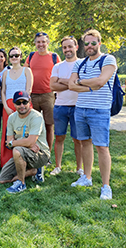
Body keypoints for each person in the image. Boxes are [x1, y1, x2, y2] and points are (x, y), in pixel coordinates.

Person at [68, 29, 117, 200]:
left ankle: (106, 186)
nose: (89, 46)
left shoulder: (108, 59)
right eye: (87, 43)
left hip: (100, 109)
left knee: (102, 147)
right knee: (84, 144)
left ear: (99, 43)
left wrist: (81, 82)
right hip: (80, 109)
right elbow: (70, 85)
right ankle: (87, 178)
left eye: (93, 43)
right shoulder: (80, 63)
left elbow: (101, 81)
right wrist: (90, 87)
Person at [0, 91, 50, 194]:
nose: (22, 105)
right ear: (14, 104)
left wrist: (15, 143)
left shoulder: (36, 116)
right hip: (24, 151)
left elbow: (29, 142)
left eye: (24, 102)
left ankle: (21, 183)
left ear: (29, 102)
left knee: (17, 150)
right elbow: (9, 142)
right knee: (3, 179)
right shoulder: (12, 118)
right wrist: (25, 143)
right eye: (18, 103)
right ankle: (34, 171)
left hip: (40, 153)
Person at [49, 36, 83, 176]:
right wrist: (72, 83)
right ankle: (58, 166)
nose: (67, 49)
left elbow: (83, 83)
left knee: (78, 139)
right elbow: (52, 85)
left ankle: (79, 168)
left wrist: (63, 81)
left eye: (70, 46)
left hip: (78, 106)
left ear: (76, 47)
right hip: (60, 106)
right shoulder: (58, 66)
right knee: (59, 137)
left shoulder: (83, 64)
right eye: (64, 47)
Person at [24, 32, 61, 152]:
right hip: (32, 95)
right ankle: (33, 150)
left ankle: (47, 153)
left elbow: (60, 74)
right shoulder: (30, 56)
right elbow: (24, 73)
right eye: (38, 42)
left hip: (48, 95)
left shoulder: (54, 57)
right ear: (35, 43)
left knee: (49, 125)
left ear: (48, 43)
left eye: (43, 42)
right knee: (33, 125)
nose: (41, 44)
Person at [0, 47, 33, 167]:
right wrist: (6, 106)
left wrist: (22, 106)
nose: (14, 58)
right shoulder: (6, 72)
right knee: (8, 132)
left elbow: (29, 90)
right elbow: (3, 91)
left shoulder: (27, 70)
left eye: (16, 55)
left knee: (24, 132)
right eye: (12, 56)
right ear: (8, 58)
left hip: (23, 104)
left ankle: (24, 161)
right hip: (8, 106)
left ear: (20, 57)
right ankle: (7, 162)